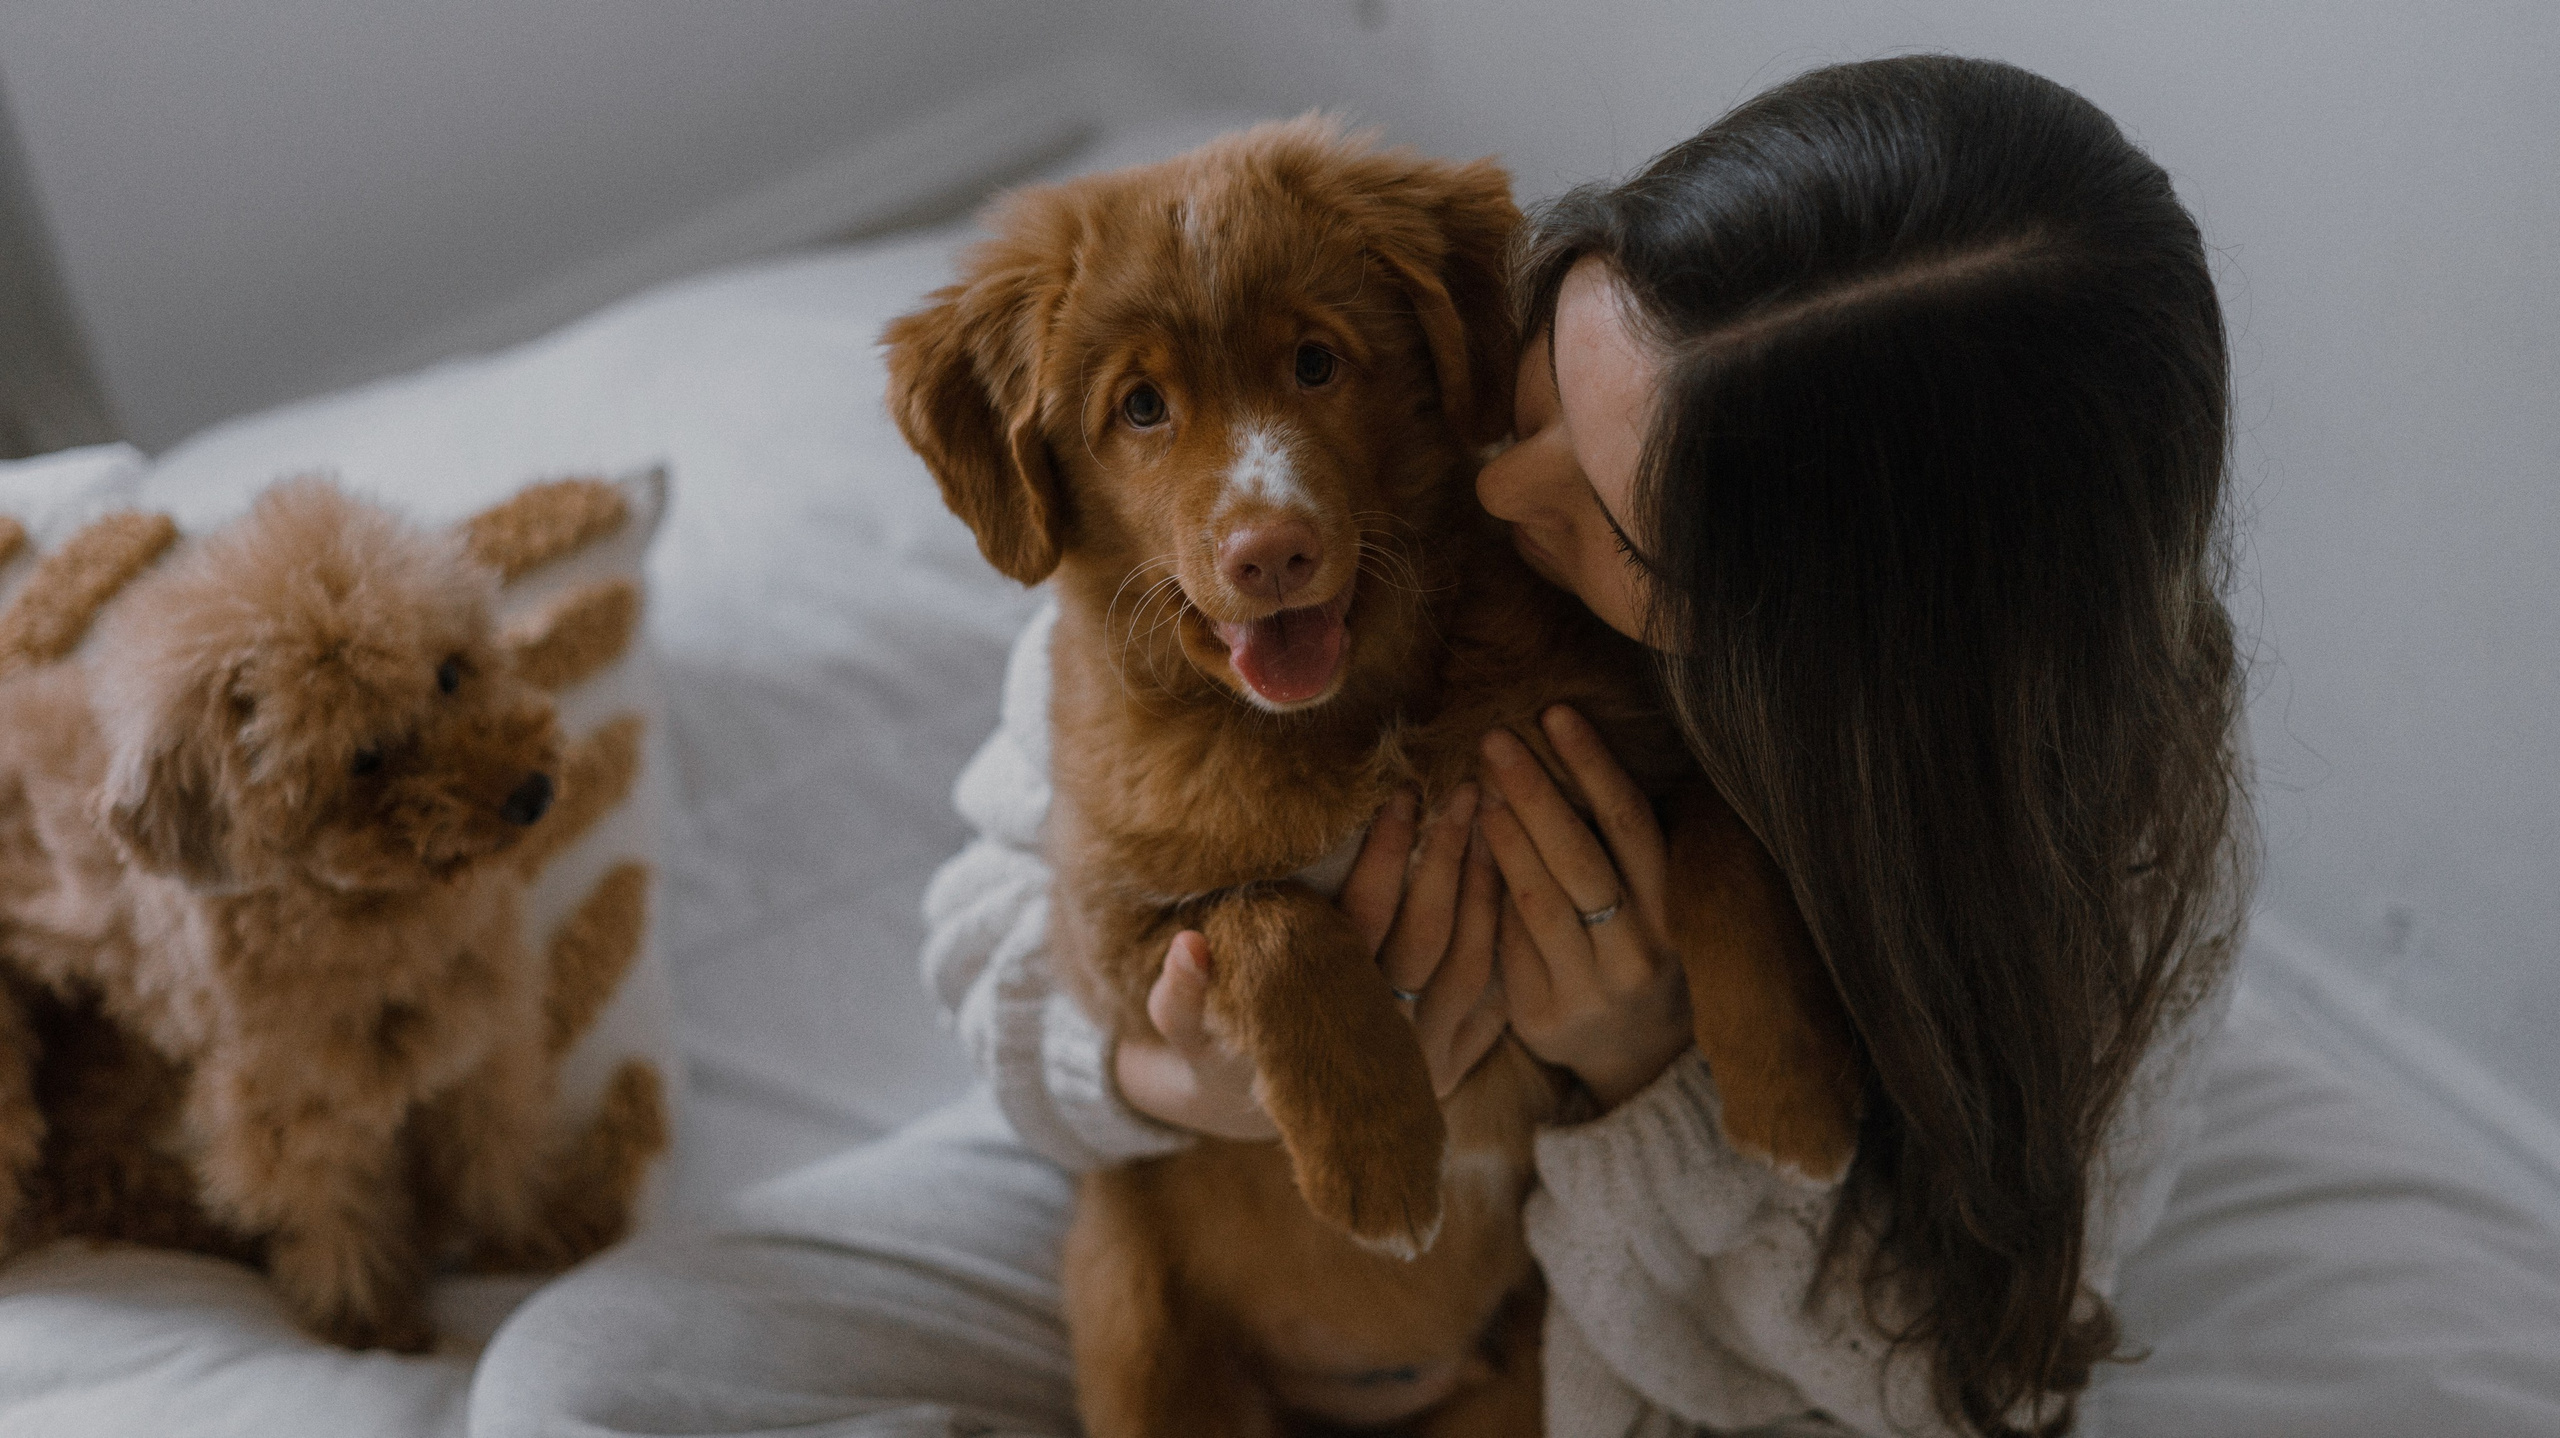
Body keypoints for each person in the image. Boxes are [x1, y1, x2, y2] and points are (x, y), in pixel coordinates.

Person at [469, 55, 2560, 1438]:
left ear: (1825, 658)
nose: (1483, 497)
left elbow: (1927, 1374)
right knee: (588, 1376)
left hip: (1683, 1287)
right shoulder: (1372, 450)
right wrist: (1152, 1066)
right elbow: (1006, 914)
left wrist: (1641, 1075)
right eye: (1530, 390)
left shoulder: (2112, 871)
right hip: (1209, 1180)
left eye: (1596, 520)